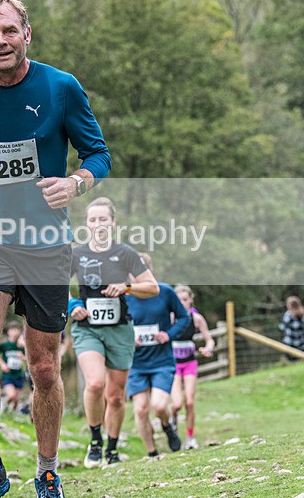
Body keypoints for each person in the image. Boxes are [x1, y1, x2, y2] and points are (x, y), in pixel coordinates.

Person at [0, 0, 110, 498]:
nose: (0, 41)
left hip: (46, 243)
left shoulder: (61, 87)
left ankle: (47, 468)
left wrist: (75, 183)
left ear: (26, 34)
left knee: (42, 366)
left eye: (9, 31)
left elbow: (98, 153)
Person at [68, 198, 159, 468]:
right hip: (88, 329)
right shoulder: (76, 254)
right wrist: (73, 304)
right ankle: (95, 442)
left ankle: (112, 447)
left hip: (119, 329)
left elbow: (152, 287)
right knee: (95, 384)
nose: (98, 224)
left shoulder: (125, 253)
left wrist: (126, 287)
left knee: (116, 395)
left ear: (113, 222)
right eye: (93, 220)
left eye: (103, 219)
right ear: (87, 224)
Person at [125, 254, 190, 458]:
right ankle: (152, 453)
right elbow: (116, 326)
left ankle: (167, 425)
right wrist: (128, 338)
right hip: (136, 362)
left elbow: (184, 318)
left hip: (161, 360)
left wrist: (168, 334)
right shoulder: (123, 296)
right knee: (141, 410)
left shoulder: (165, 292)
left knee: (159, 405)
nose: (135, 277)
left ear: (149, 271)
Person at [170, 284, 215, 450]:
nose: (182, 303)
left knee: (189, 402)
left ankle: (190, 438)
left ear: (191, 300)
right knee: (176, 404)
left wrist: (207, 348)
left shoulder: (196, 319)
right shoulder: (169, 318)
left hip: (189, 363)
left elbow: (209, 339)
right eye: (178, 300)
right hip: (173, 365)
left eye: (185, 300)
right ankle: (172, 420)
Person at [0, 321, 26, 413]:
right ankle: (4, 407)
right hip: (7, 375)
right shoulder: (4, 345)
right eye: (12, 330)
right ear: (8, 332)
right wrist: (2, 364)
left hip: (19, 375)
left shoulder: (22, 345)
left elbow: (30, 358)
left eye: (16, 330)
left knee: (16, 399)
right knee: (12, 395)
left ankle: (12, 414)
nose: (14, 332)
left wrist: (23, 357)